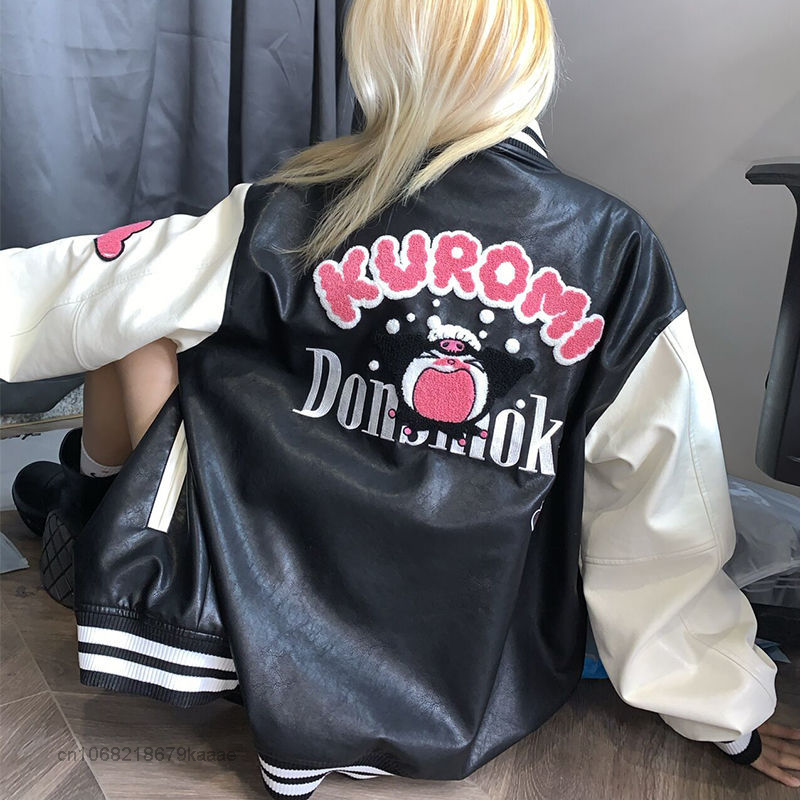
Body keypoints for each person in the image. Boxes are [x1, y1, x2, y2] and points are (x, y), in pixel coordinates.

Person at [2, 0, 799, 795]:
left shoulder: (286, 208)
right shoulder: (615, 249)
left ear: (377, 61)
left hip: (269, 633)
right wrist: (727, 714)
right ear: (530, 60)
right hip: (474, 676)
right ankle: (91, 506)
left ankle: (102, 513)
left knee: (130, 300)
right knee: (144, 300)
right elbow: (664, 511)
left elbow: (74, 288)